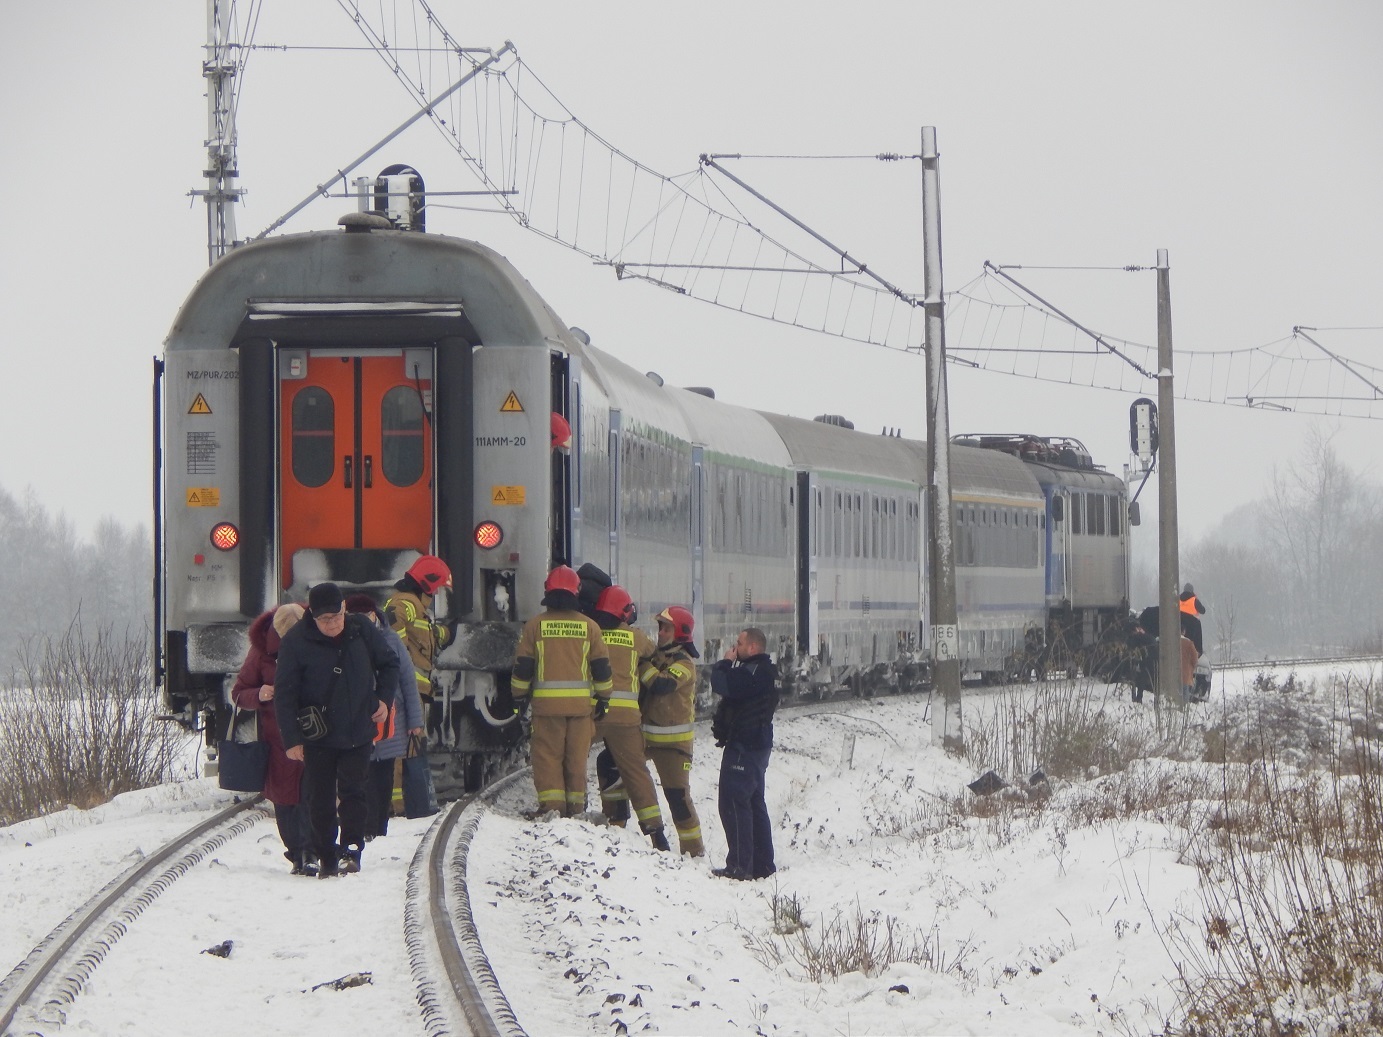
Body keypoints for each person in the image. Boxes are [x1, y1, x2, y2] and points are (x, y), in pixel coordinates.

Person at [275, 582, 400, 878]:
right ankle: (325, 854)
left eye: (336, 617)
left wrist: (384, 698)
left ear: (344, 609)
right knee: (319, 797)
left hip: (358, 726)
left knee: (354, 790)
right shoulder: (296, 641)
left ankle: (351, 848)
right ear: (312, 617)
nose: (331, 625)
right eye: (324, 620)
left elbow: (389, 663)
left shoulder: (361, 630)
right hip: (318, 734)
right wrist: (291, 739)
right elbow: (285, 693)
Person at [510, 565, 613, 817]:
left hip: (547, 711)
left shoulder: (535, 626)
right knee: (576, 761)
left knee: (548, 759)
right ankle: (575, 809)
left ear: (548, 592)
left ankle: (552, 808)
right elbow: (601, 668)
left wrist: (518, 698)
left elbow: (524, 667)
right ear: (576, 592)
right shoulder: (590, 627)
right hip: (580, 710)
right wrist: (603, 699)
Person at [230, 602, 314, 875]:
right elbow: (239, 692)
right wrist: (261, 693)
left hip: (314, 730)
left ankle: (311, 850)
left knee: (313, 793)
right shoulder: (261, 652)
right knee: (285, 799)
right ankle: (297, 852)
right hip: (277, 738)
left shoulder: (317, 640)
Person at [589, 585, 670, 850]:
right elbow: (652, 654)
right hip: (625, 719)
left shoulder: (592, 633)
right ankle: (656, 833)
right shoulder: (634, 637)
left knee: (575, 761)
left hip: (593, 714)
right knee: (635, 771)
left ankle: (595, 816)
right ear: (625, 613)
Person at [345, 594, 423, 838]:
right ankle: (368, 828)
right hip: (358, 719)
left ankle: (380, 826)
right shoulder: (344, 641)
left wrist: (415, 721)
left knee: (385, 776)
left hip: (391, 719)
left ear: (373, 615)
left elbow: (408, 680)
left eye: (364, 616)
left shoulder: (391, 640)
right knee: (362, 775)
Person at [709, 627, 779, 881]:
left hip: (744, 747)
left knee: (733, 803)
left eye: (738, 643)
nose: (734, 647)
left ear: (752, 648)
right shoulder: (763, 672)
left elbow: (721, 683)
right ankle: (762, 865)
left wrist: (724, 663)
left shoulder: (752, 673)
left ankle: (739, 865)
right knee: (754, 803)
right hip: (757, 748)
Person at [638, 605, 704, 857]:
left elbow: (661, 684)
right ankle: (618, 825)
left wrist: (642, 664)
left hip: (674, 747)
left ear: (680, 633)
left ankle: (694, 852)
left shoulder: (685, 663)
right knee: (615, 768)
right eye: (660, 628)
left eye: (666, 628)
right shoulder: (657, 658)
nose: (661, 633)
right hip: (647, 738)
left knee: (679, 800)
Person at [385, 555, 453, 744]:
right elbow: (394, 638)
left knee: (411, 749)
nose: (436, 595)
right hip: (406, 693)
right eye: (436, 589)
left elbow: (422, 636)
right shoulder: (405, 604)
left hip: (414, 693)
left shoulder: (415, 607)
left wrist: (447, 633)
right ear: (427, 585)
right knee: (402, 752)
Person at [1180, 632, 1200, 704]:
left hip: (1172, 675)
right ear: (1184, 631)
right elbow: (1195, 659)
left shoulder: (1170, 642)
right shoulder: (1189, 643)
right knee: (1185, 695)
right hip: (1185, 675)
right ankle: (1183, 710)